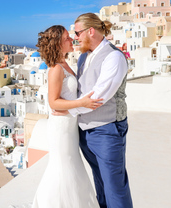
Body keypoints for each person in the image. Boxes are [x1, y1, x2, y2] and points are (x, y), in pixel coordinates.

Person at [32, 25, 102, 208]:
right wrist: (82, 104)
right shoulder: (56, 68)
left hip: (69, 125)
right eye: (67, 38)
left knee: (71, 165)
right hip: (61, 128)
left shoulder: (65, 64)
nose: (72, 40)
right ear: (57, 44)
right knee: (63, 167)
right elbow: (53, 103)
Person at [69, 12, 133, 208]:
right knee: (101, 184)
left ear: (91, 31)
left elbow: (98, 97)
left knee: (115, 187)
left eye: (78, 33)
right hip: (85, 131)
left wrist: (66, 110)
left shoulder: (114, 57)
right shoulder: (83, 58)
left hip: (107, 130)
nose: (75, 37)